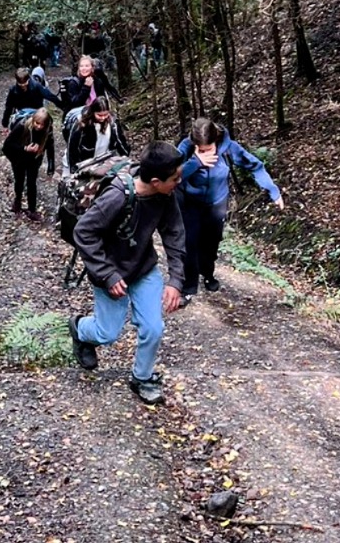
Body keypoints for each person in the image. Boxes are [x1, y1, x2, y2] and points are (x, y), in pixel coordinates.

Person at [69, 141, 186, 405]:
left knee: (153, 328)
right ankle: (79, 328)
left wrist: (176, 280)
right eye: (175, 179)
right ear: (155, 181)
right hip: (110, 273)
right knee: (107, 334)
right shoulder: (117, 196)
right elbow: (83, 232)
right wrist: (107, 274)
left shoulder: (165, 196)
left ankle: (142, 378)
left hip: (143, 269)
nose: (179, 183)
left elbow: (174, 234)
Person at [176, 116, 284, 298]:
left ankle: (208, 274)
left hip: (217, 203)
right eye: (200, 150)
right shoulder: (185, 149)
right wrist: (195, 162)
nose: (204, 153)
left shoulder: (229, 148)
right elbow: (173, 176)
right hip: (190, 202)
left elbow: (255, 166)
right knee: (189, 243)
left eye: (208, 150)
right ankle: (189, 286)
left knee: (211, 243)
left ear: (216, 141)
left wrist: (273, 190)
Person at [2, 106, 54, 220]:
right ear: (33, 120)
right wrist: (25, 148)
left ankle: (32, 209)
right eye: (37, 123)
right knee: (19, 180)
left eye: (42, 125)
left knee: (32, 183)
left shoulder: (48, 130)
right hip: (19, 156)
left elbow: (50, 147)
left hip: (35, 158)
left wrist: (51, 168)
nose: (39, 127)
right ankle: (17, 202)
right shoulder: (22, 126)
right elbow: (7, 145)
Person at [65, 95, 129, 174]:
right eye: (99, 115)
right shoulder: (81, 124)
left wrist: (125, 157)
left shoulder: (113, 123)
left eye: (105, 115)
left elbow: (121, 141)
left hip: (104, 160)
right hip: (85, 162)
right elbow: (72, 148)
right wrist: (74, 169)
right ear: (93, 112)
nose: (103, 118)